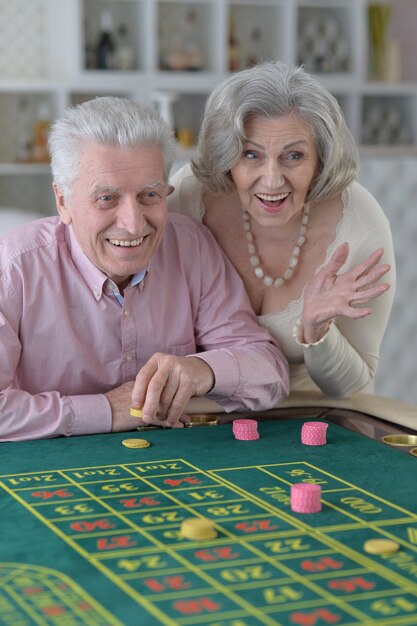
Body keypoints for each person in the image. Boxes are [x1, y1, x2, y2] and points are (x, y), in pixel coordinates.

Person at [0, 96, 289, 441]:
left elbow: (270, 372)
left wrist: (201, 371)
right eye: (106, 198)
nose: (134, 224)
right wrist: (108, 409)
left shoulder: (192, 246)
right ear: (63, 202)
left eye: (150, 195)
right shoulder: (12, 269)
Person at [169, 60, 395, 398]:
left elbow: (355, 388)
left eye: (294, 156)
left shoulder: (361, 226)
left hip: (312, 417)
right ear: (227, 157)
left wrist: (316, 331)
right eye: (251, 155)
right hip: (204, 415)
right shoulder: (188, 197)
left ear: (321, 159)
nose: (273, 180)